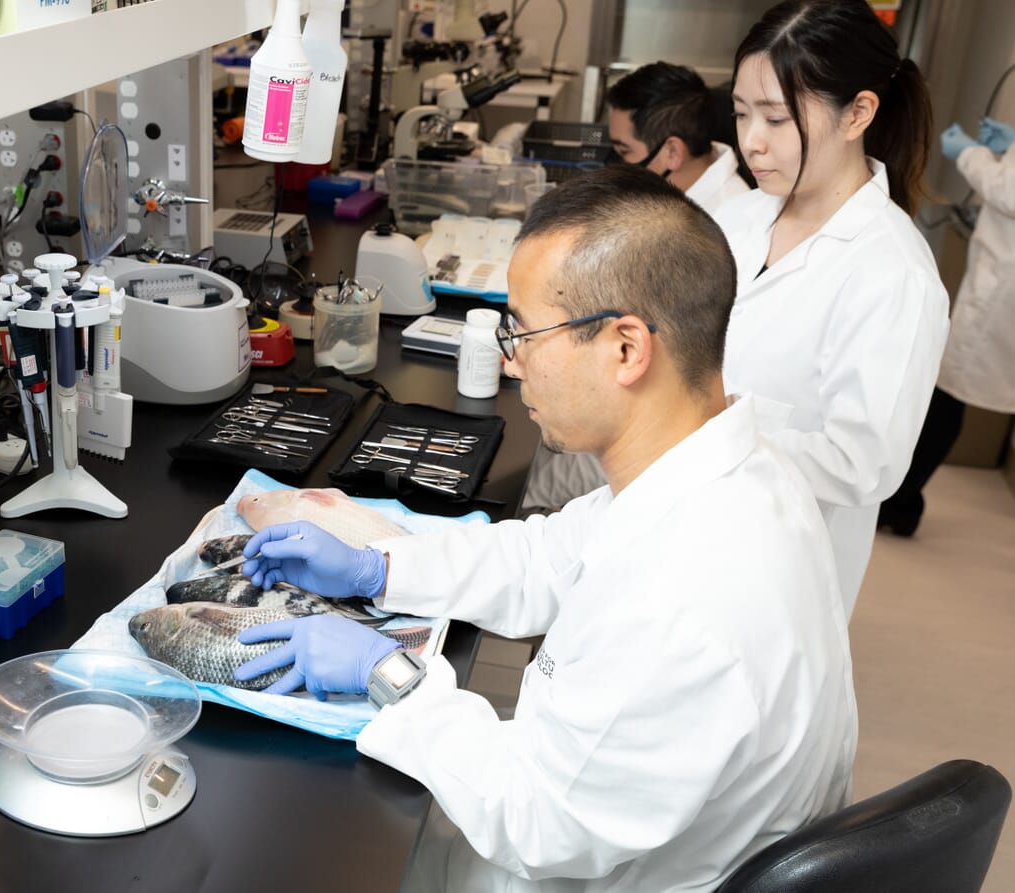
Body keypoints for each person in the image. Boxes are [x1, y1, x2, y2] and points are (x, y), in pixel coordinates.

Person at [231, 167, 857, 892]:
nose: (509, 356)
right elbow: (547, 557)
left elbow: (534, 822)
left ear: (626, 348)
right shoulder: (727, 471)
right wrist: (377, 570)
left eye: (523, 330)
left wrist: (385, 670)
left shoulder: (685, 597)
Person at [717, 0, 949, 616]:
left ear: (859, 113)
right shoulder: (740, 216)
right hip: (680, 522)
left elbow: (864, 464)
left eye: (776, 118)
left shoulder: (892, 272)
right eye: (741, 114)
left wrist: (713, 427)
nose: (751, 142)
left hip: (776, 576)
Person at [517, 61, 752, 519]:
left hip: (653, 437)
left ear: (671, 153)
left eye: (623, 150)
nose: (615, 161)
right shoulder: (681, 199)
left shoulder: (728, 229)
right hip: (632, 406)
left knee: (524, 480)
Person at [879, 117, 1015, 535]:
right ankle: (902, 502)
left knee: (947, 395)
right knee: (949, 394)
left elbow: (1009, 191)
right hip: (1000, 279)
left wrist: (972, 155)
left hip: (1002, 289)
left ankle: (901, 502)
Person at [607, 61, 752, 216]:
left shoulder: (733, 223)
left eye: (624, 151)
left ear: (673, 152)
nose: (616, 164)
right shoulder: (664, 194)